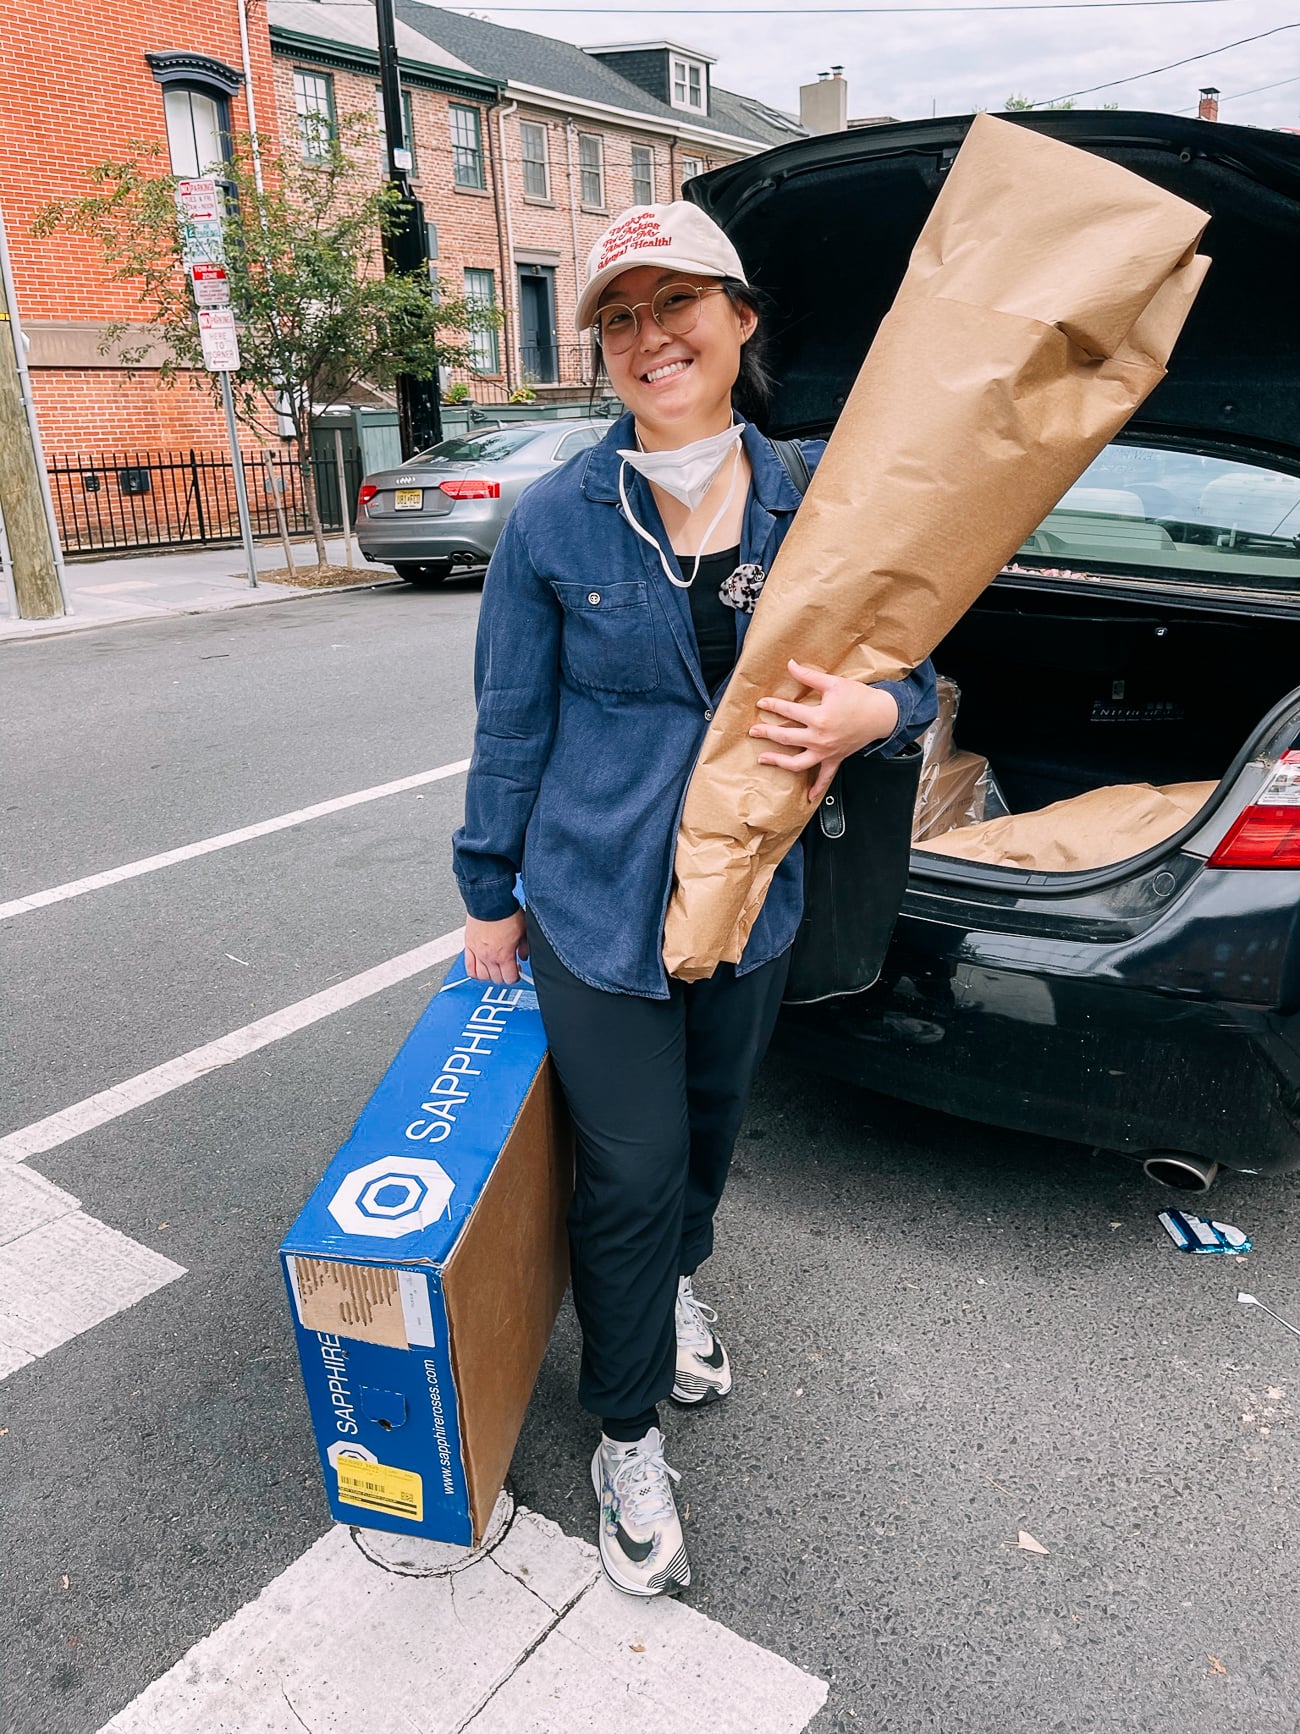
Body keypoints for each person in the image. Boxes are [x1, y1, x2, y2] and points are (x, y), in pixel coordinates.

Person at [453, 203, 937, 1597]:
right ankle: (622, 1432)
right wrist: (491, 890)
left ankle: (669, 1282)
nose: (649, 336)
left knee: (710, 1144)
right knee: (632, 1168)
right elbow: (510, 725)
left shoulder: (823, 498)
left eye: (678, 304)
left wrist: (875, 706)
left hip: (754, 906)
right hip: (596, 911)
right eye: (619, 315)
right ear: (601, 350)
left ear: (740, 323)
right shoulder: (553, 518)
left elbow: (915, 661)